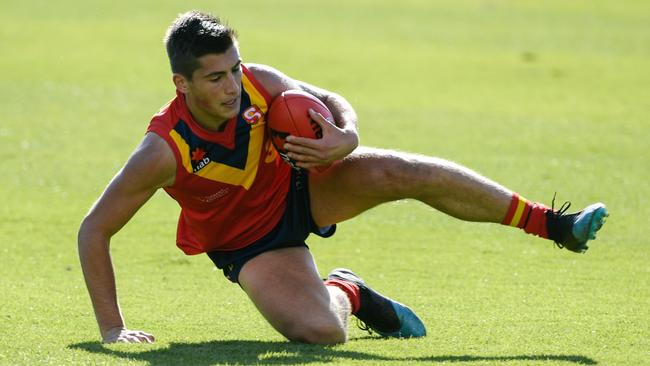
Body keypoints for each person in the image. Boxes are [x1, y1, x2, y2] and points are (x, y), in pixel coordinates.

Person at [77, 10, 608, 345]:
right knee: (322, 332)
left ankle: (552, 224)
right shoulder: (162, 149)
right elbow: (94, 230)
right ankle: (348, 292)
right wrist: (112, 328)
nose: (233, 86)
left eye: (234, 69)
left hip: (303, 184)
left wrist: (346, 137)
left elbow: (329, 99)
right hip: (249, 244)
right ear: (181, 83)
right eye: (216, 78)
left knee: (406, 170)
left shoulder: (259, 83)